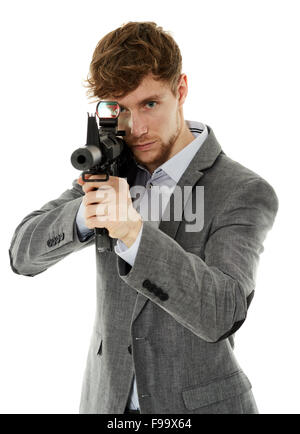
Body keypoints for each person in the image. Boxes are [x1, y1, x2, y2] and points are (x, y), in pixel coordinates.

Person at [9, 21, 279, 414]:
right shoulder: (114, 171)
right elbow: (21, 254)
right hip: (106, 404)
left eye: (149, 104)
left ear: (181, 90)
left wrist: (133, 232)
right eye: (120, 109)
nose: (135, 128)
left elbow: (222, 312)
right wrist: (86, 213)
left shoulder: (243, 190)